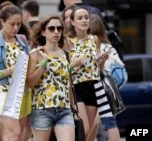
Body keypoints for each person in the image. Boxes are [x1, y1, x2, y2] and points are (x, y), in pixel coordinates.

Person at [0, 5, 31, 141]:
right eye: (12, 24)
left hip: (23, 92)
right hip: (4, 92)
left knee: (17, 135)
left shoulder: (22, 40)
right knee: (15, 133)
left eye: (18, 24)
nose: (16, 28)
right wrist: (9, 71)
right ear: (2, 22)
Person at [27, 15, 75, 141]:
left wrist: (73, 106)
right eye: (51, 28)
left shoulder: (66, 54)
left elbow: (68, 82)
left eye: (59, 29)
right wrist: (43, 64)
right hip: (42, 109)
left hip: (64, 109)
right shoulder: (36, 54)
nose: (56, 32)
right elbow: (30, 83)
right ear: (43, 32)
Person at [68, 6, 110, 141]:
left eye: (86, 17)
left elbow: (96, 67)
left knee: (92, 129)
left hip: (94, 86)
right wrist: (74, 64)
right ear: (72, 22)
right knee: (83, 129)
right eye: (80, 18)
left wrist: (102, 61)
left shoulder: (94, 39)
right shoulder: (68, 41)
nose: (84, 20)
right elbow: (63, 67)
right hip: (77, 87)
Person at [90, 14, 122, 141]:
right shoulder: (109, 46)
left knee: (95, 124)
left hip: (97, 87)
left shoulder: (93, 45)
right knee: (110, 123)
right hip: (110, 87)